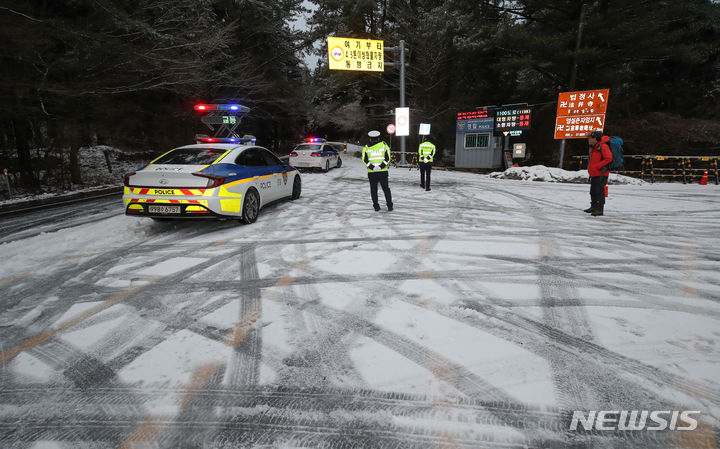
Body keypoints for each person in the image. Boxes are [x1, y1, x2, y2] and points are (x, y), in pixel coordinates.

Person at [362, 130, 393, 211]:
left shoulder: (366, 147)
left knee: (373, 190)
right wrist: (381, 166)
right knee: (386, 189)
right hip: (383, 172)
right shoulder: (384, 146)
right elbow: (388, 158)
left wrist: (372, 167)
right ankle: (389, 205)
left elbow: (364, 160)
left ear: (370, 139)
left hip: (372, 173)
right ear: (378, 138)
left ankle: (376, 206)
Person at [586, 130, 612, 216]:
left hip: (601, 174)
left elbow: (608, 158)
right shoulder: (595, 147)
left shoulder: (603, 146)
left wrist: (598, 166)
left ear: (596, 138)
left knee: (599, 191)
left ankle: (600, 209)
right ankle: (593, 207)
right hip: (594, 173)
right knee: (593, 191)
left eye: (590, 138)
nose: (589, 139)